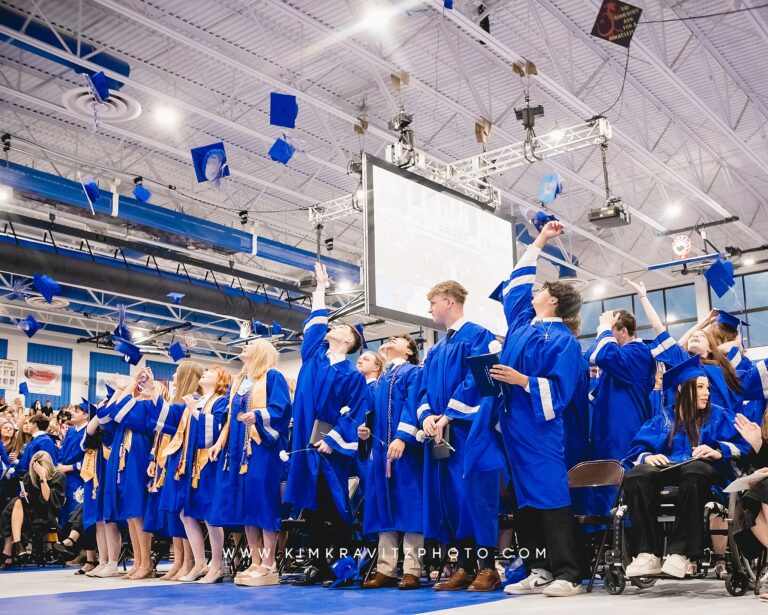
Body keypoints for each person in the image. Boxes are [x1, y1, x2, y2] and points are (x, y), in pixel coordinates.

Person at [480, 221, 584, 598]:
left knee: (550, 494)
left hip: (540, 429)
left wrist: (521, 380)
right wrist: (540, 240)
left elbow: (560, 392)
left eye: (543, 290)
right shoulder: (523, 325)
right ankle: (538, 569)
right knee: (524, 499)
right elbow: (517, 283)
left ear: (554, 300)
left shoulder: (564, 342)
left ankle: (569, 573)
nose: (535, 292)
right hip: (513, 424)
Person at [623, 356, 746, 579]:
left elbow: (744, 445)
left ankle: (680, 553)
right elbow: (637, 449)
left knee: (694, 470)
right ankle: (647, 554)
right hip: (668, 471)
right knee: (637, 475)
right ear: (681, 388)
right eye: (700, 387)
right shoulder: (663, 417)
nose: (706, 393)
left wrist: (719, 452)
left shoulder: (719, 415)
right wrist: (648, 456)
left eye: (707, 388)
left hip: (705, 476)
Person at [284, 261, 367, 585]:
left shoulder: (352, 375)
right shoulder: (313, 357)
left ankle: (345, 565)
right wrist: (320, 288)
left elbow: (355, 413)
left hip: (330, 449)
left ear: (350, 341)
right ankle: (317, 564)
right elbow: (316, 325)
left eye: (342, 327)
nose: (335, 327)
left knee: (336, 508)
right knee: (312, 508)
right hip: (306, 443)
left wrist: (332, 440)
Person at [418, 278, 501, 593]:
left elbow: (482, 380)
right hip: (441, 435)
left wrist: (449, 414)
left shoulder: (478, 335)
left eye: (433, 302)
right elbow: (423, 389)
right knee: (451, 501)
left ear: (448, 301)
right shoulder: (437, 348)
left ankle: (488, 568)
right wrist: (427, 416)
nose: (430, 309)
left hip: (469, 433)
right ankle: (464, 567)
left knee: (474, 499)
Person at [208, 340, 291, 586]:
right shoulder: (240, 381)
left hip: (262, 450)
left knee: (263, 504)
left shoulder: (273, 377)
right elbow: (229, 419)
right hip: (239, 452)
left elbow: (282, 409)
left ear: (262, 351)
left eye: (250, 344)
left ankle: (269, 563)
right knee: (247, 505)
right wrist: (221, 444)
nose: (244, 346)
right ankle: (255, 561)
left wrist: (257, 416)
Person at [358, 334, 423, 590]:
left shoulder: (413, 373)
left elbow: (413, 405)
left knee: (409, 508)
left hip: (405, 452)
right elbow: (371, 413)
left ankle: (412, 570)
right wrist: (364, 431)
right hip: (380, 452)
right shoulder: (382, 379)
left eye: (399, 339)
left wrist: (402, 437)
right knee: (384, 509)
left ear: (409, 351)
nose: (391, 339)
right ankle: (386, 569)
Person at [155, 364, 230, 583]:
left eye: (211, 372)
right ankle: (199, 563)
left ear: (220, 380)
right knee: (185, 513)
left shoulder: (220, 401)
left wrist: (195, 412)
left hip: (208, 463)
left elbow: (216, 430)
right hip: (190, 462)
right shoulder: (195, 401)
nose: (205, 373)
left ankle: (217, 565)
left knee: (209, 514)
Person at [148, 364, 202, 581]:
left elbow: (165, 418)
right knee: (174, 511)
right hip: (173, 459)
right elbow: (163, 423)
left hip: (186, 461)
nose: (173, 376)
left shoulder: (194, 401)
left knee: (183, 511)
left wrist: (153, 389)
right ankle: (180, 561)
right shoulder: (180, 402)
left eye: (176, 373)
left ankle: (189, 561)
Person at [102, 368, 156, 580]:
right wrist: (122, 387)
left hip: (138, 454)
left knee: (137, 509)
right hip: (125, 455)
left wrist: (131, 384)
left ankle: (146, 562)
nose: (138, 389)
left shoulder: (144, 406)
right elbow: (105, 414)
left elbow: (117, 409)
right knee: (131, 514)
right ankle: (139, 560)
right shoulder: (134, 405)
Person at [0, 451, 66, 568]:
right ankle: (17, 544)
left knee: (13, 505)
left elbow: (49, 501)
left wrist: (43, 478)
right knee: (17, 501)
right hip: (28, 514)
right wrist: (24, 494)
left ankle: (10, 550)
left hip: (47, 515)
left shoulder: (58, 476)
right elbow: (29, 500)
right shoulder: (29, 477)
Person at [56, 401, 88, 527]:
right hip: (63, 476)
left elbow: (90, 460)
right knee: (63, 506)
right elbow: (62, 451)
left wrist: (70, 467)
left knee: (75, 509)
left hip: (79, 477)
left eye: (77, 411)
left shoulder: (89, 433)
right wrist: (58, 465)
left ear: (86, 415)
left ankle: (75, 543)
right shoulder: (70, 431)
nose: (72, 413)